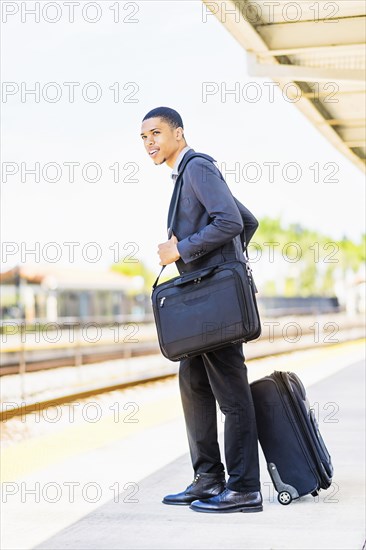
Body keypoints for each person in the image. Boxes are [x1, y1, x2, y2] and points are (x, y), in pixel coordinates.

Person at [140, 107, 262, 513]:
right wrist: (218, 263)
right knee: (193, 386)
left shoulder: (197, 167)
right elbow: (248, 220)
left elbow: (229, 221)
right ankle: (208, 478)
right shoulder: (186, 177)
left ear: (178, 133)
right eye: (143, 138)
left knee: (231, 393)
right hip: (203, 303)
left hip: (213, 308)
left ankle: (244, 487)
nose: (150, 143)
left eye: (156, 133)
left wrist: (183, 250)